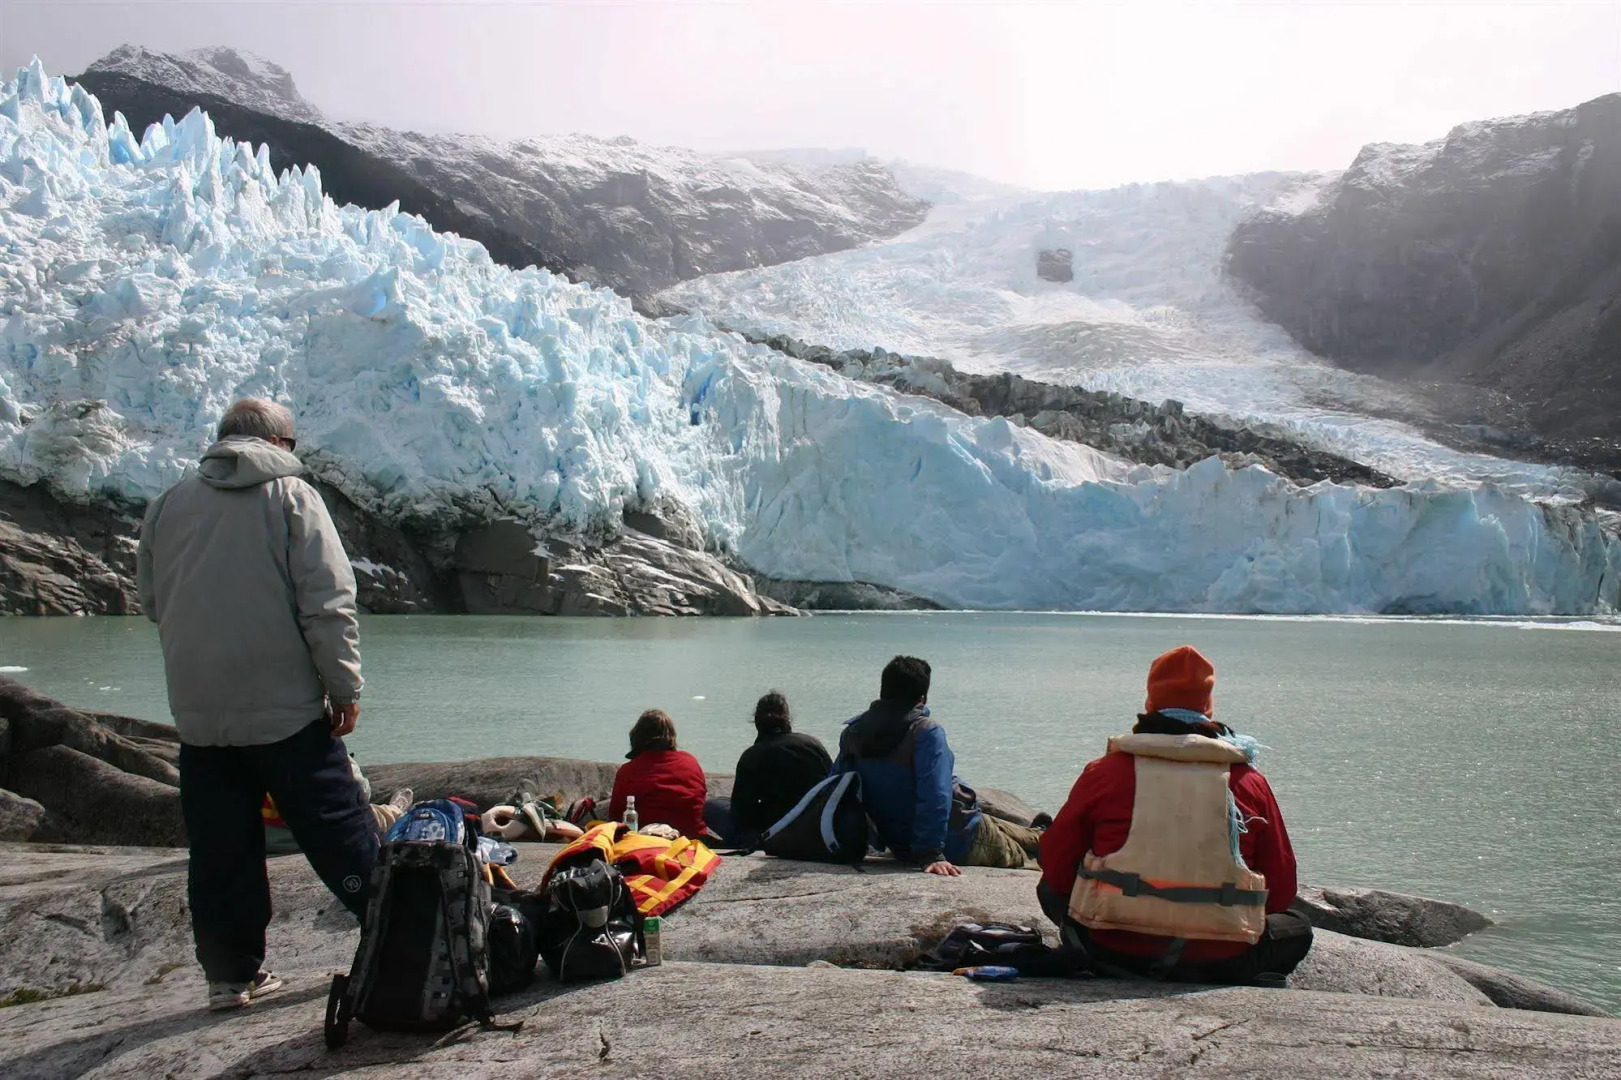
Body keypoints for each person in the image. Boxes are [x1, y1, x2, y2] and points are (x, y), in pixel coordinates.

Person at [137, 398, 377, 1012]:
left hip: (201, 715)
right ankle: (398, 934)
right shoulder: (292, 498)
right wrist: (344, 688)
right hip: (285, 711)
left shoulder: (167, 505)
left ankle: (229, 977)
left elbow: (152, 602)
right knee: (340, 829)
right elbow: (327, 604)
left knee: (220, 848)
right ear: (279, 444)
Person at [1037, 645, 1312, 984]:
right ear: (1208, 709)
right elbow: (1281, 889)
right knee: (1298, 926)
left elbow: (1056, 866)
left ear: (1150, 702)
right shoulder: (1249, 782)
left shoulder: (1104, 772)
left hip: (1113, 950)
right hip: (1222, 960)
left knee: (1048, 889)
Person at [832, 656, 1042, 875]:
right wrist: (930, 853)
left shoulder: (853, 733)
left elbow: (836, 789)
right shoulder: (926, 732)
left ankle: (1043, 833)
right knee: (1028, 856)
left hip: (902, 843)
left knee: (1024, 834)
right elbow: (935, 795)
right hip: (959, 839)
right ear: (922, 699)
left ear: (883, 691)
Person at [718, 690, 832, 847]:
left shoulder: (752, 756)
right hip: (816, 826)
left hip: (774, 832)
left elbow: (742, 813)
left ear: (756, 721)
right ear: (788, 719)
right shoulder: (813, 744)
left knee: (712, 806)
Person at [609, 709, 709, 839]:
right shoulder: (690, 762)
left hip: (648, 839)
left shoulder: (629, 771)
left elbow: (615, 817)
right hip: (691, 838)